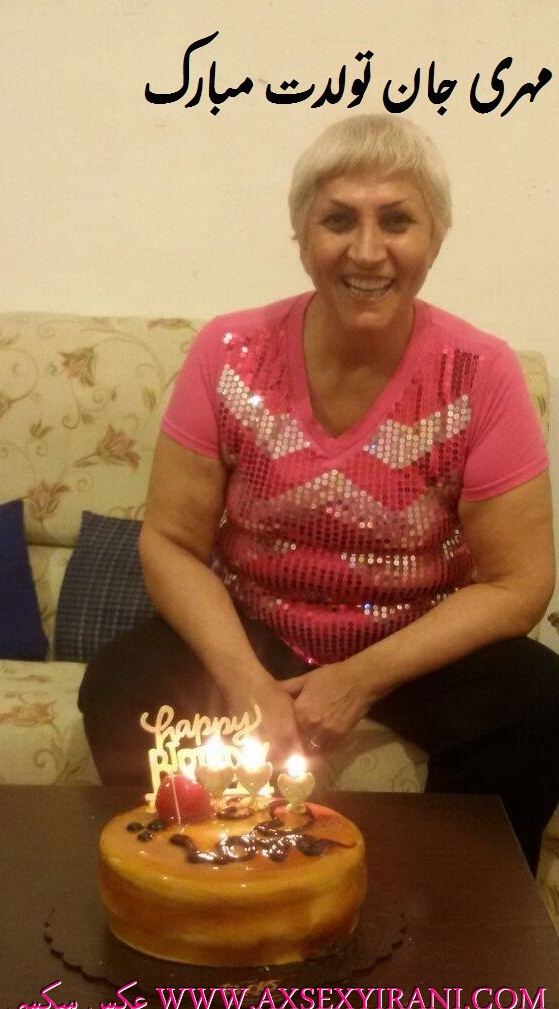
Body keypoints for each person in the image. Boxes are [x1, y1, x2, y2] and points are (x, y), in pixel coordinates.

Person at [79, 114, 559, 874]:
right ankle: (198, 888)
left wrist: (357, 680)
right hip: (258, 625)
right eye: (338, 220)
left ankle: (455, 915)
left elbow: (520, 582)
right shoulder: (228, 353)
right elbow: (170, 542)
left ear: (435, 238)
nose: (366, 250)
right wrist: (248, 683)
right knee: (122, 682)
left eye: (396, 220)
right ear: (302, 235)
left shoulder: (483, 373)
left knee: (536, 699)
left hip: (414, 640)